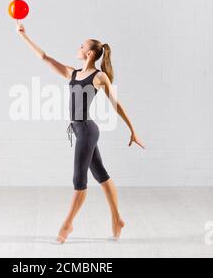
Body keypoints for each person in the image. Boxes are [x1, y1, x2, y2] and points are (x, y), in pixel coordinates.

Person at [15, 20, 145, 244]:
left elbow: (117, 105)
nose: (78, 47)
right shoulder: (73, 73)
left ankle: (67, 224)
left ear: (91, 53)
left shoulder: (98, 77)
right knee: (101, 174)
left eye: (82, 46)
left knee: (79, 179)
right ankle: (117, 219)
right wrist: (23, 35)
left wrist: (132, 130)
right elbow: (45, 57)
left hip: (87, 130)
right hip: (78, 130)